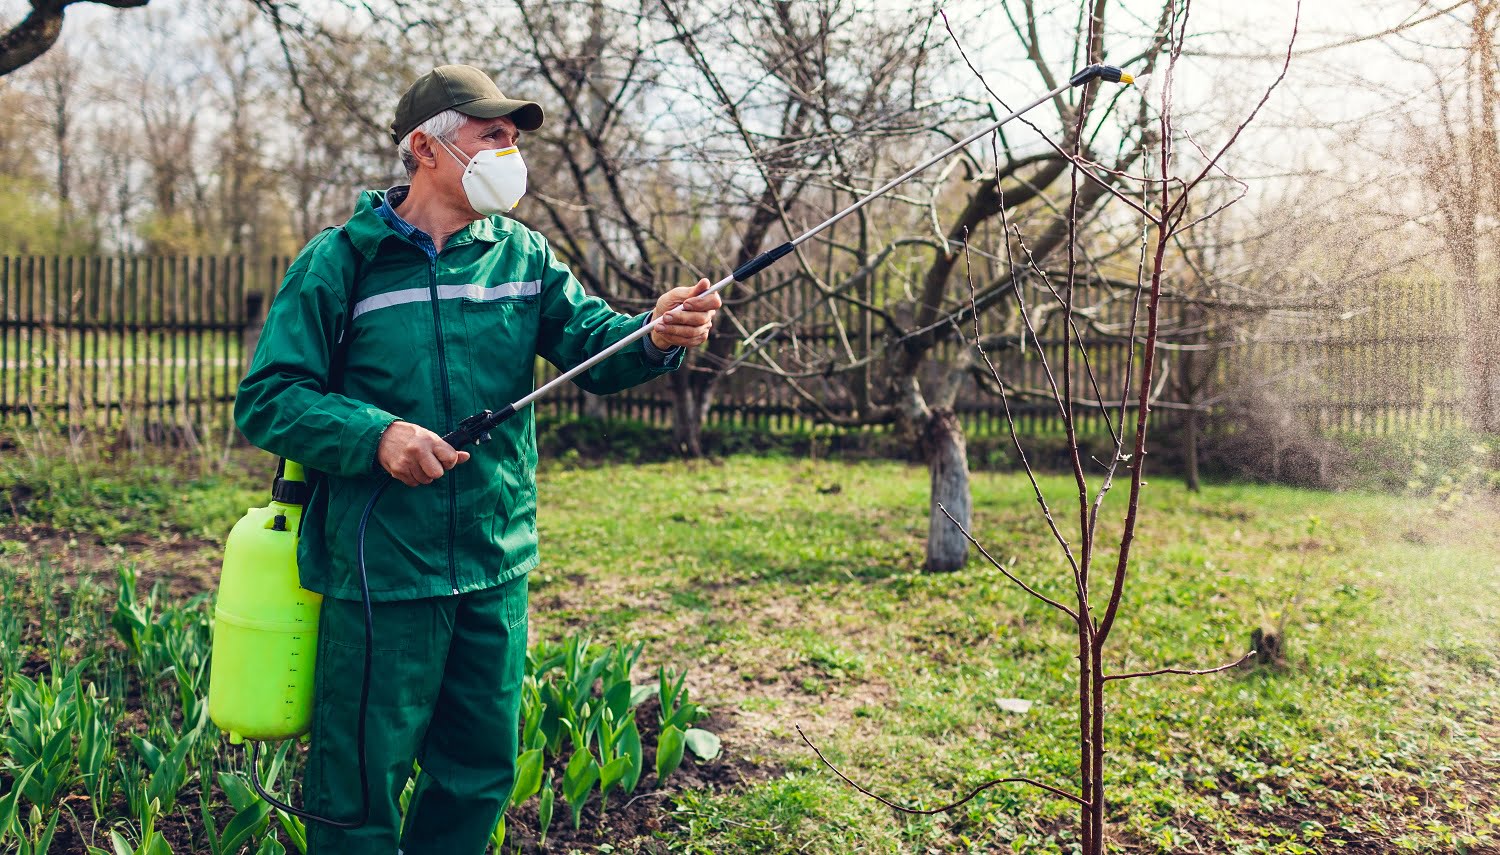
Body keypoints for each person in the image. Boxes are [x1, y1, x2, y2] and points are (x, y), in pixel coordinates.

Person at [233, 64, 720, 853]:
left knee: (478, 773)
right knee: (356, 784)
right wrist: (377, 436)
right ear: (425, 148)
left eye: (514, 138)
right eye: (491, 135)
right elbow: (271, 397)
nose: (510, 150)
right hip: (379, 569)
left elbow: (594, 344)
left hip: (494, 563)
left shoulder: (521, 254)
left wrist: (656, 333)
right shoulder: (341, 261)